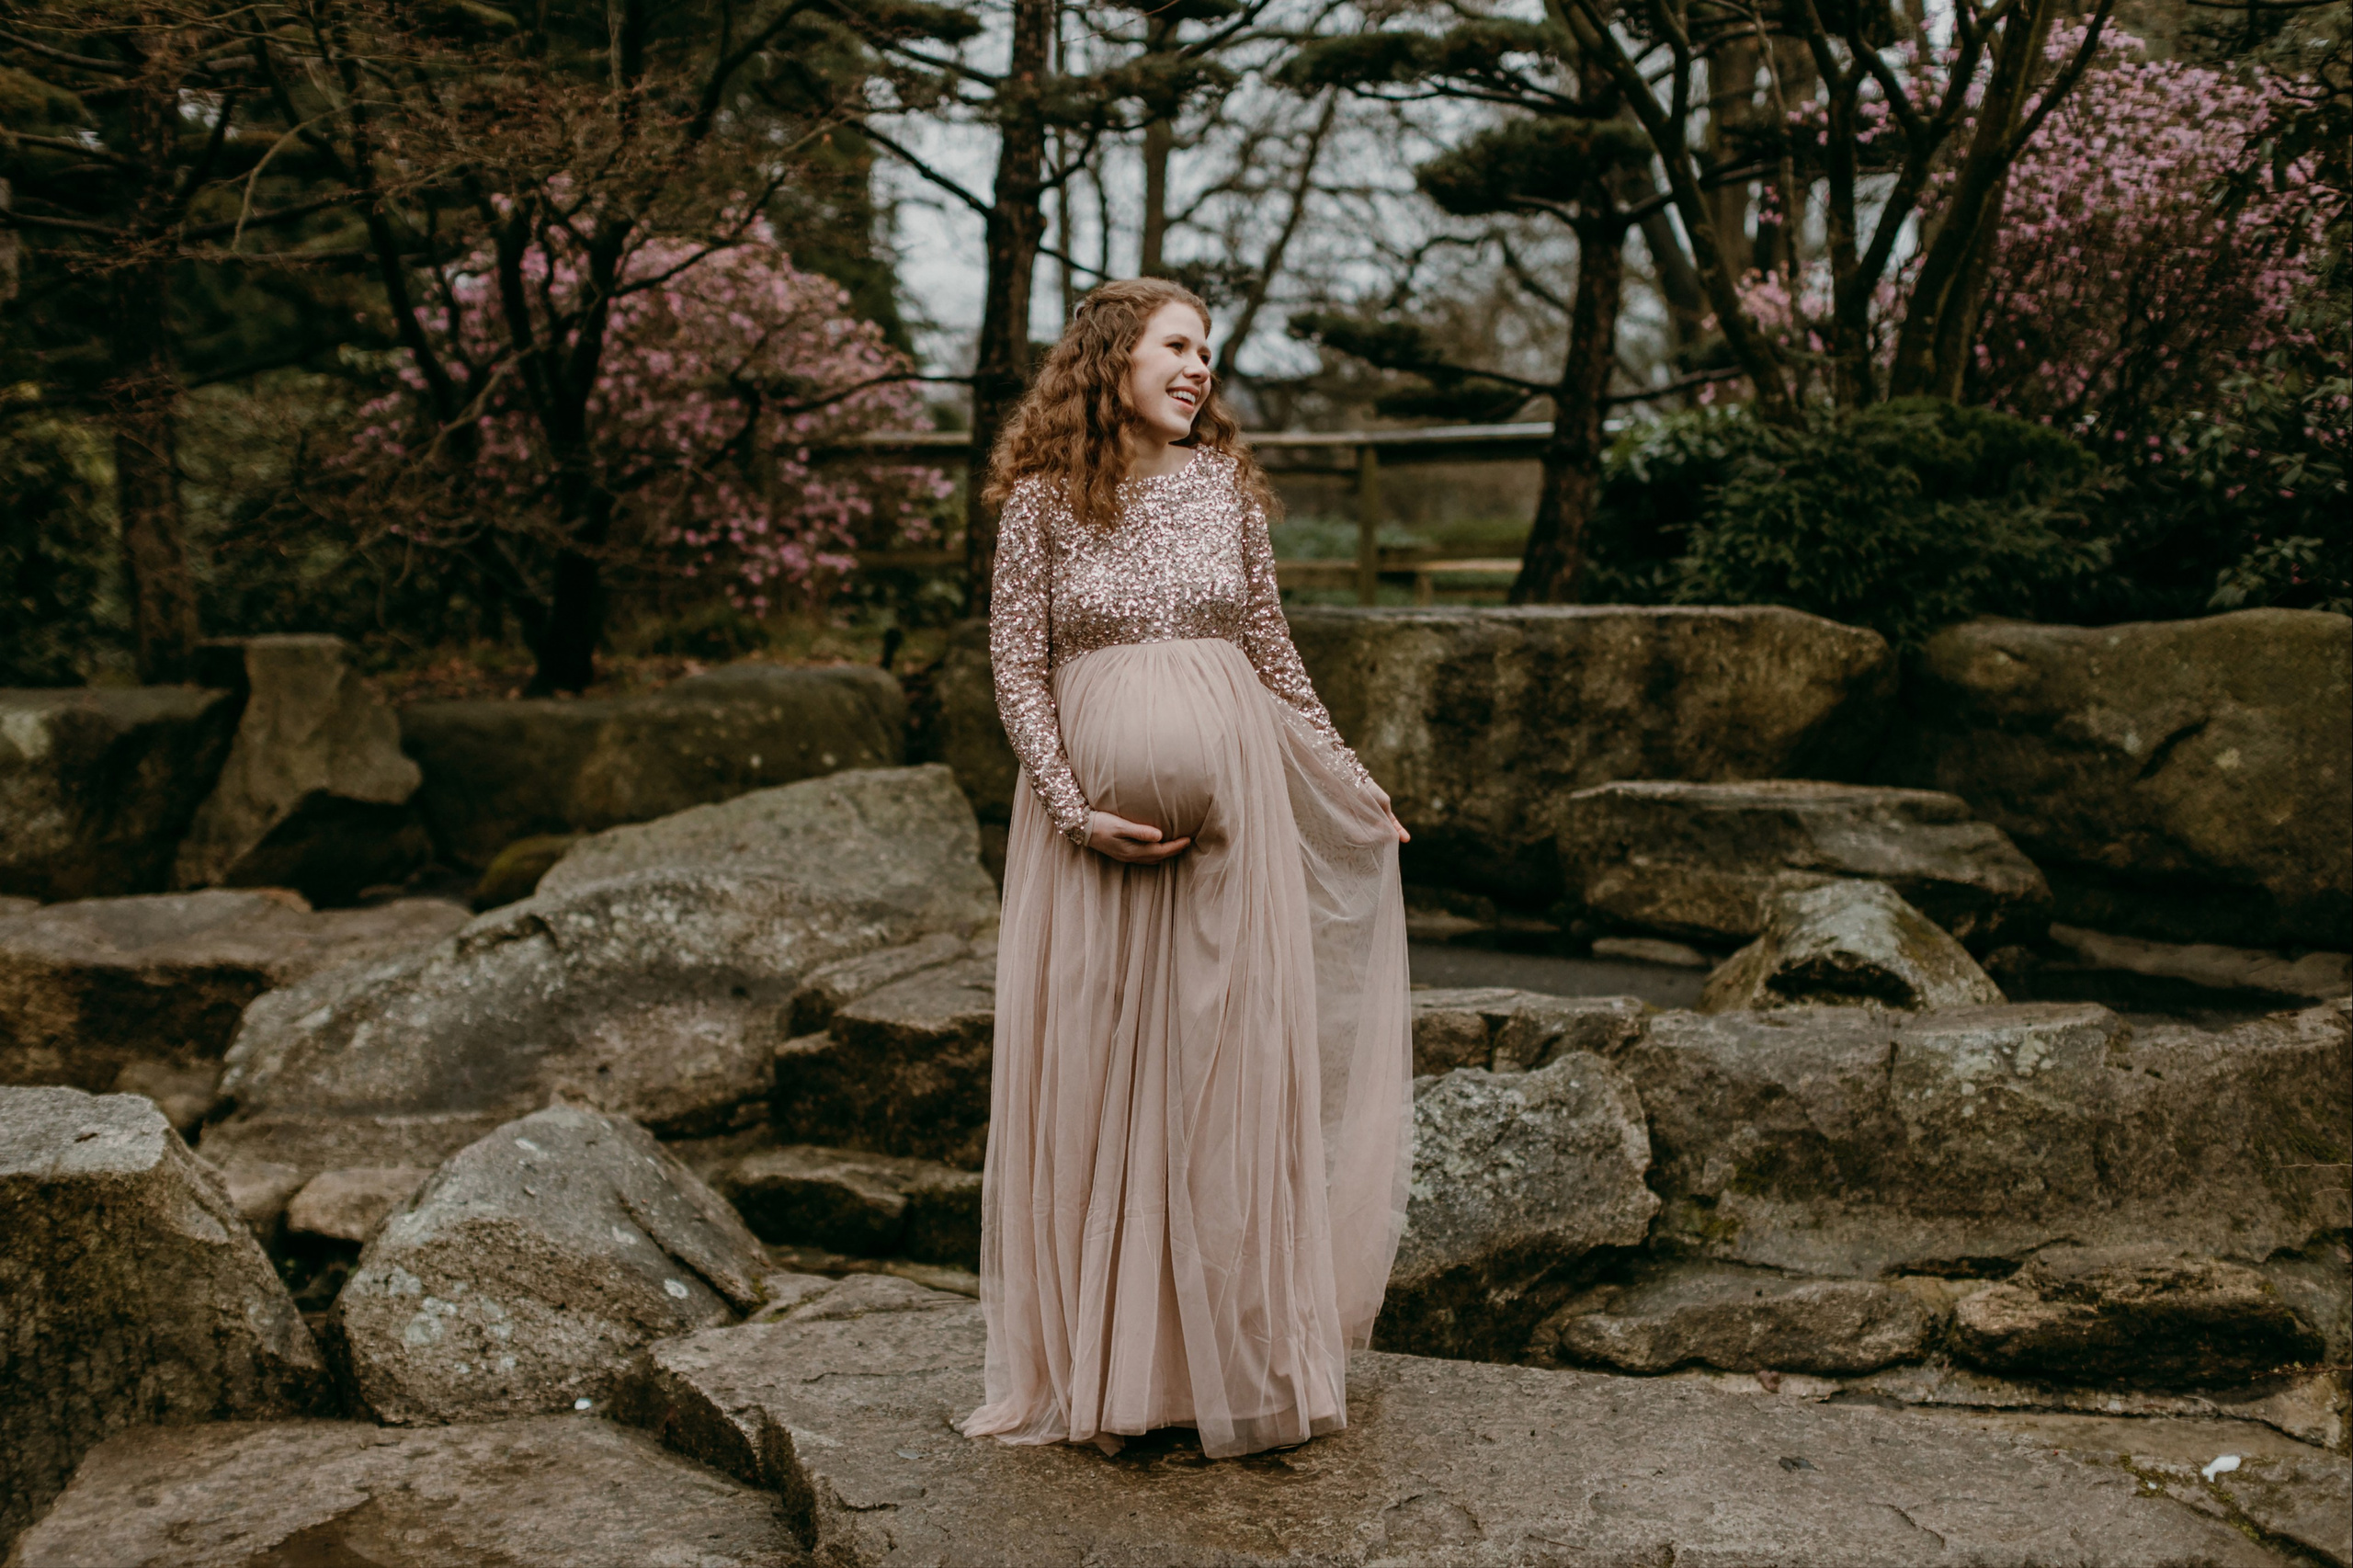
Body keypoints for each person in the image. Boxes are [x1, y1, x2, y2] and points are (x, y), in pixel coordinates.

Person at [958, 277, 1415, 1460]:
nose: (1200, 364)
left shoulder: (1224, 492)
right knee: (1105, 1083)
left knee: (1227, 1077)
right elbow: (1017, 671)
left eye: (1208, 348)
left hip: (1238, 836)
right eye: (1177, 344)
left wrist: (1349, 779)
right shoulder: (1045, 506)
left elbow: (1271, 652)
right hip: (1090, 855)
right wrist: (1072, 810)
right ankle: (1116, 1375)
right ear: (1111, 359)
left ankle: (1234, 1359)